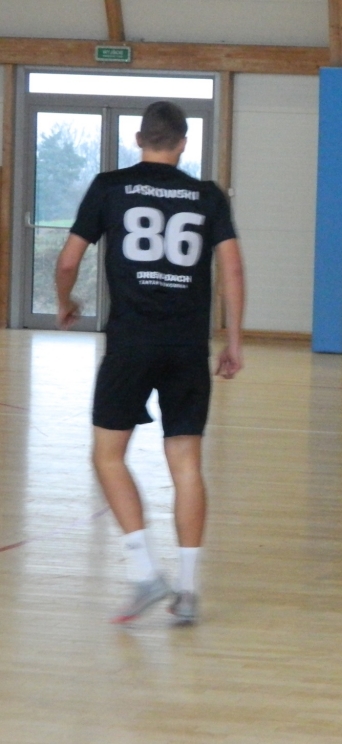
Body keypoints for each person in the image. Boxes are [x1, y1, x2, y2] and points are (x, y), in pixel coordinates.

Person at [55, 100, 245, 625]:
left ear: (139, 139)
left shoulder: (110, 187)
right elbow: (232, 270)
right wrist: (233, 340)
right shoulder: (207, 196)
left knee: (107, 456)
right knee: (186, 464)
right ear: (183, 143)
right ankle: (188, 592)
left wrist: (65, 302)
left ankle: (144, 573)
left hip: (131, 345)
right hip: (187, 347)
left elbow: (68, 260)